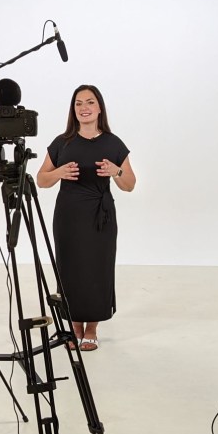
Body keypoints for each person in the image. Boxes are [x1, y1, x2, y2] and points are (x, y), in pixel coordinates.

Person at [36, 85, 136, 351]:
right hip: (68, 216)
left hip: (100, 218)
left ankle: (92, 327)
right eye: (78, 103)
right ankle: (73, 325)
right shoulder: (62, 142)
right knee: (70, 269)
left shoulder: (113, 143)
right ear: (74, 110)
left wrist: (116, 171)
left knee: (97, 269)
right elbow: (41, 180)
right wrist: (58, 173)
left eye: (90, 102)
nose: (84, 108)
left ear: (99, 107)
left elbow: (130, 185)